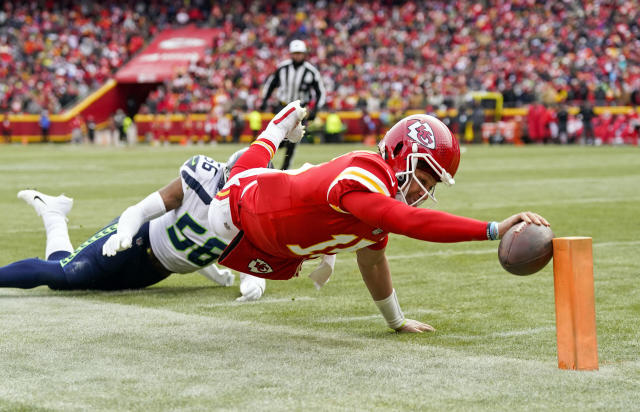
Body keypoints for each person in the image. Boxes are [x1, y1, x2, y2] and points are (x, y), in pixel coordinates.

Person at [205, 101, 550, 333]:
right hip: (238, 206)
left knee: (264, 183)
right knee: (242, 173)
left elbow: (372, 263)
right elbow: (408, 221)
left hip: (274, 246)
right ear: (401, 154)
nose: (422, 193)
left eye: (430, 186)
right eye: (423, 179)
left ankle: (277, 132)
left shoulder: (376, 213)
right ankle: (277, 128)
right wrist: (491, 229)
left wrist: (396, 321)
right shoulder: (367, 169)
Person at [0, 146, 281, 302]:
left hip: (156, 272)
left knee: (66, 281)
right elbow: (143, 210)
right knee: (68, 273)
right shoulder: (202, 177)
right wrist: (125, 230)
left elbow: (239, 259)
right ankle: (53, 216)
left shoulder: (255, 217)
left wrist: (252, 284)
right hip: (137, 239)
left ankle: (54, 214)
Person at [260, 39, 326, 169]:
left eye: (300, 53)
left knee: (294, 140)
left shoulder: (310, 71)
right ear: (291, 54)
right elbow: (270, 84)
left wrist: (316, 109)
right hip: (282, 105)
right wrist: (264, 100)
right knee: (276, 135)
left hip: (300, 110)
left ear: (304, 54)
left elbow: (321, 92)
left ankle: (285, 168)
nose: (297, 56)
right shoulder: (283, 68)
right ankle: (265, 162)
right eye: (295, 53)